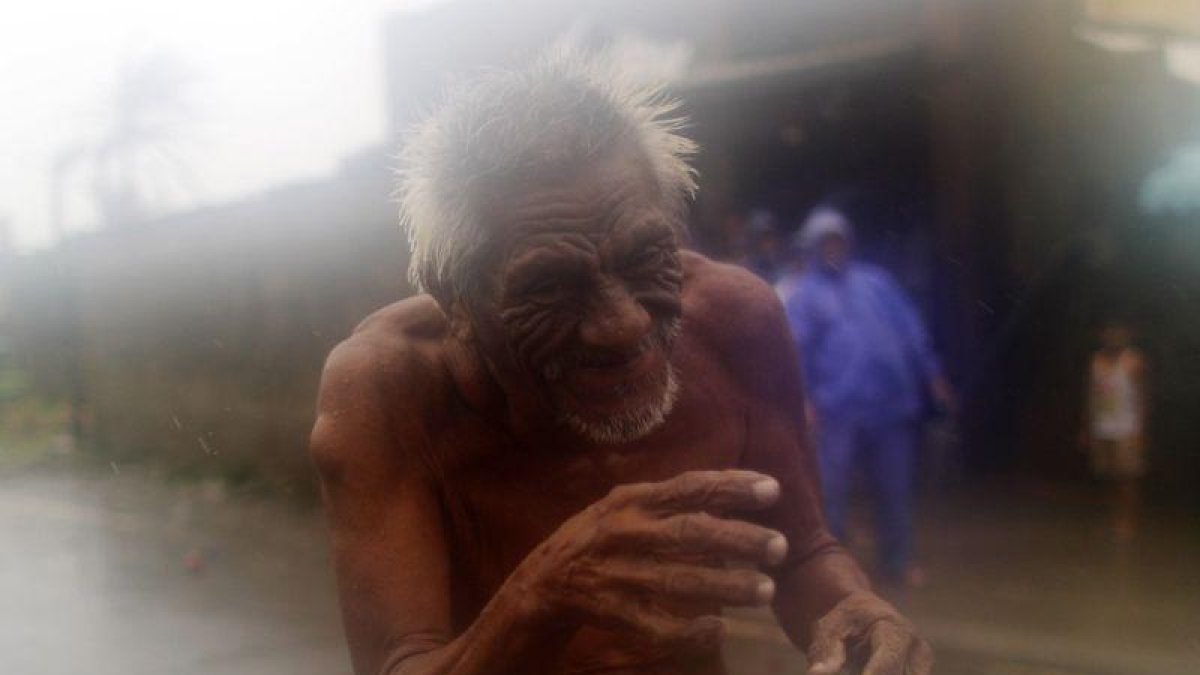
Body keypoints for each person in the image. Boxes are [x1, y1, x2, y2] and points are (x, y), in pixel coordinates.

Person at [309, 55, 932, 675]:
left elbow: (800, 554)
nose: (625, 324)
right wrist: (537, 597)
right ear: (457, 301)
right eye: (550, 286)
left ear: (675, 228)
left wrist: (856, 613)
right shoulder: (388, 390)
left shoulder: (735, 322)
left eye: (645, 256)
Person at [778, 206, 955, 588]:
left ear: (848, 243)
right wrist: (803, 402)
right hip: (838, 409)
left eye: (838, 240)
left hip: (891, 404)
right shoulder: (804, 296)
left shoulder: (876, 282)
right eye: (825, 241)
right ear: (812, 247)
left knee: (895, 490)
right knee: (831, 491)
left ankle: (898, 562)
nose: (833, 248)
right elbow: (793, 355)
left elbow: (910, 329)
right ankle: (830, 568)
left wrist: (932, 373)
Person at [1083, 320, 1147, 541]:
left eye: (1118, 332)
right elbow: (1091, 396)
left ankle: (1128, 522)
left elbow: (1144, 397)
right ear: (1102, 334)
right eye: (1109, 332)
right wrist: (1086, 427)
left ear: (1127, 334)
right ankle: (1113, 520)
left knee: (1127, 478)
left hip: (1127, 428)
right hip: (1102, 427)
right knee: (1107, 476)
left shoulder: (1134, 360)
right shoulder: (1096, 360)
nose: (1113, 336)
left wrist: (1141, 431)